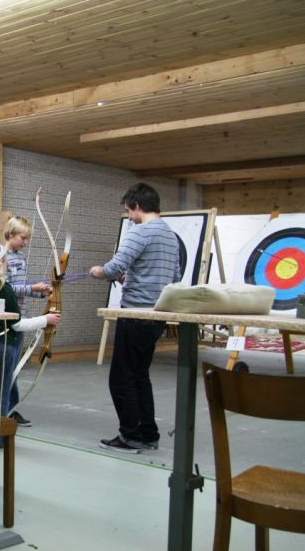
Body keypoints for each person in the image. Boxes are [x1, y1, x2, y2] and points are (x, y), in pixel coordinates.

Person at [90, 183, 180, 453]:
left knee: (121, 379)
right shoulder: (170, 235)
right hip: (157, 315)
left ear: (138, 206)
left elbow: (113, 268)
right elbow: (174, 276)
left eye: (129, 211)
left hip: (134, 314)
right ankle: (148, 434)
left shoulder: (140, 231)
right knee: (139, 376)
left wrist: (98, 271)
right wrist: (132, 278)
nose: (129, 217)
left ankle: (130, 436)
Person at [0, 247, 61, 448]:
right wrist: (46, 320)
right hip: (4, 347)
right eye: (5, 260)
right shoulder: (5, 289)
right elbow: (17, 325)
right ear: (1, 263)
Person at [2, 216, 52, 427]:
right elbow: (4, 288)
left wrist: (41, 293)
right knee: (7, 368)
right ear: (10, 234)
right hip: (7, 318)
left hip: (19, 314)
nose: (25, 242)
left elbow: (19, 289)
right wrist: (32, 288)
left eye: (27, 238)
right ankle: (6, 410)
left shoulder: (20, 257)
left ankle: (10, 409)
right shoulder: (2, 257)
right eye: (22, 238)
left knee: (13, 367)